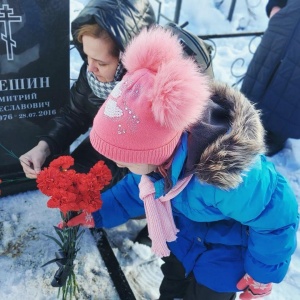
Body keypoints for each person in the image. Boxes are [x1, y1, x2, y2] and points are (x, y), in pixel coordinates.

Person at [66, 26, 299, 300]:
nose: (122, 166)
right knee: (172, 286)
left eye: (127, 160)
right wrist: (98, 213)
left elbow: (276, 216)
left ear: (154, 149)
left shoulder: (226, 179)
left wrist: (261, 273)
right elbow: (134, 190)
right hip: (183, 242)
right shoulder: (159, 162)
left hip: (224, 261)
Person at [19, 0, 156, 188]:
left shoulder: (156, 90)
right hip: (107, 146)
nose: (90, 68)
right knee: (71, 183)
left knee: (103, 200)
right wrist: (44, 147)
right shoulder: (93, 73)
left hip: (146, 168)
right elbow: (75, 114)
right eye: (86, 56)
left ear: (129, 59)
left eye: (101, 62)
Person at [240, 0, 300, 156]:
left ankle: (273, 137)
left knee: (292, 86)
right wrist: (276, 9)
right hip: (282, 28)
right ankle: (243, 117)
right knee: (261, 73)